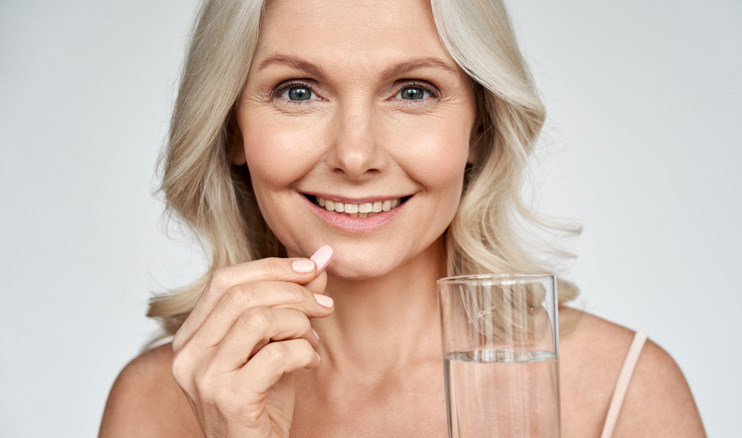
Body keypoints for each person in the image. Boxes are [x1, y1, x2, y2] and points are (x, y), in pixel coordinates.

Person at [99, 0, 706, 436]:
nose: (355, 155)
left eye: (413, 91)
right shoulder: (157, 405)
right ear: (233, 128)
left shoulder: (622, 395)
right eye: (298, 91)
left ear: (480, 127)